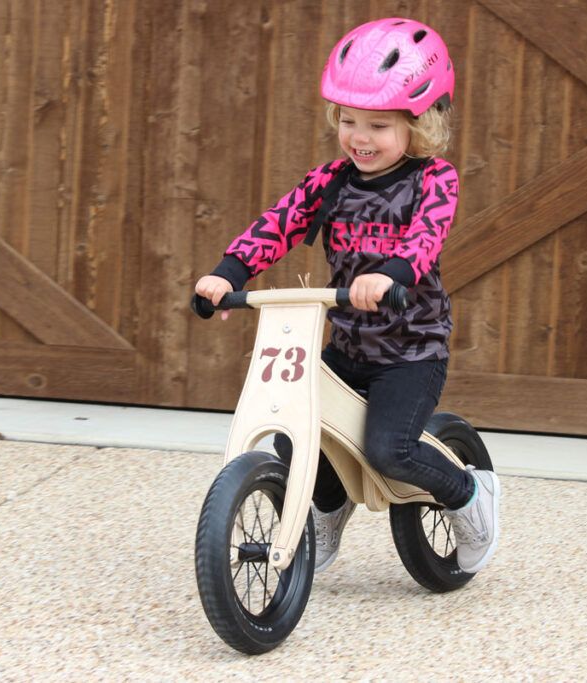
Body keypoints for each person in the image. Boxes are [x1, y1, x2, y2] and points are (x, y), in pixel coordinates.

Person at [194, 18, 500, 575]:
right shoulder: (330, 180)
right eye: (350, 121)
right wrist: (229, 271)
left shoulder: (434, 180)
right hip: (348, 342)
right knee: (296, 430)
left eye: (379, 126)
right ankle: (326, 510)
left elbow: (425, 236)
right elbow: (279, 223)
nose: (360, 137)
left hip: (411, 350)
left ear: (421, 123)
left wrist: (391, 275)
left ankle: (468, 496)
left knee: (391, 451)